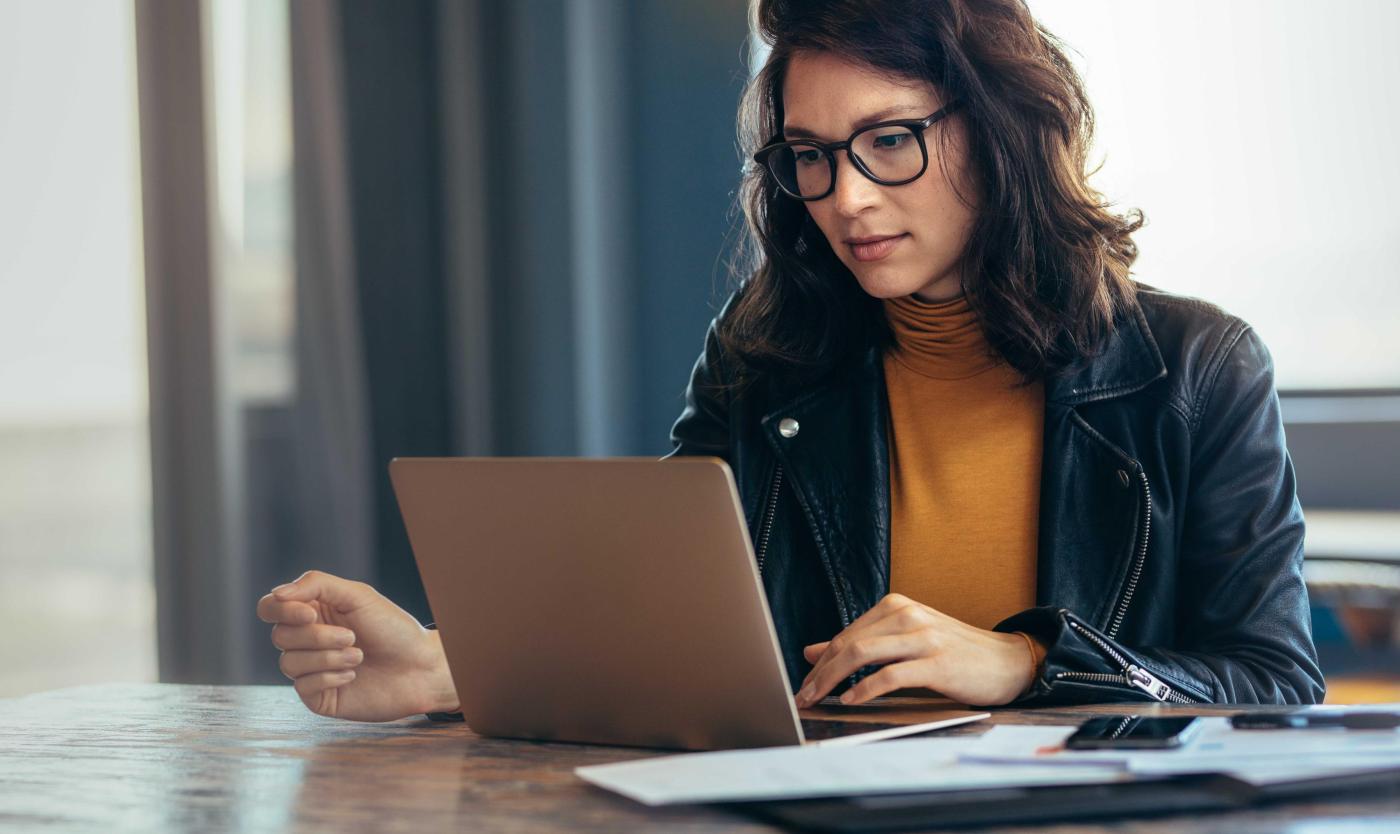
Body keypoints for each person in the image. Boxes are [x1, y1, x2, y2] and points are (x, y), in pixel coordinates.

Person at [257, 0, 1325, 722]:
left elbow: (1274, 686)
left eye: (888, 140)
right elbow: (670, 630)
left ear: (1000, 128)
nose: (846, 197)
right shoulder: (765, 353)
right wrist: (449, 667)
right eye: (809, 157)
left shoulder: (1193, 368)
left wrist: (1029, 665)